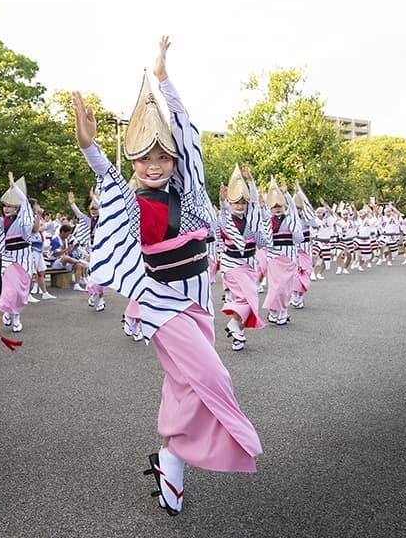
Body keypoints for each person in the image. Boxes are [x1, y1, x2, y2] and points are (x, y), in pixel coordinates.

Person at [72, 36, 261, 515]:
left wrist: (162, 78)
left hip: (198, 297)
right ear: (134, 162)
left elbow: (188, 130)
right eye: (144, 159)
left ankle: (171, 462)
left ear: (175, 160)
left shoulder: (193, 190)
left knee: (183, 382)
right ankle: (195, 451)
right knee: (212, 376)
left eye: (162, 157)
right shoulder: (132, 203)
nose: (153, 166)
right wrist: (92, 148)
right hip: (162, 303)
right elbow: (109, 181)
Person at [218, 164, 266, 351]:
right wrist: (222, 202)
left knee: (249, 300)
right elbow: (223, 217)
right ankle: (236, 328)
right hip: (233, 265)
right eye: (235, 203)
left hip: (248, 264)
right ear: (230, 203)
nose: (239, 206)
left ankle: (237, 332)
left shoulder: (251, 218)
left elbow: (254, 203)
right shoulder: (226, 218)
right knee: (248, 298)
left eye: (242, 203)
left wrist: (250, 181)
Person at [0, 174, 36, 333]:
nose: (6, 209)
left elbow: (26, 204)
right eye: (4, 206)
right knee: (10, 290)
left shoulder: (23, 222)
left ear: (17, 208)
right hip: (8, 259)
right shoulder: (3, 222)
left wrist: (14, 187)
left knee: (21, 292)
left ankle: (9, 313)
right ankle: (16, 319)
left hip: (23, 259)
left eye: (9, 206)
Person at [261, 179, 303, 325]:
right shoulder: (267, 220)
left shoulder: (290, 218)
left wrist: (286, 195)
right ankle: (272, 311)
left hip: (289, 256)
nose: (277, 208)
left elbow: (293, 209)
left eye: (279, 206)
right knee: (275, 286)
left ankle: (284, 311)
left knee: (286, 287)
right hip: (274, 257)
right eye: (274, 206)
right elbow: (262, 212)